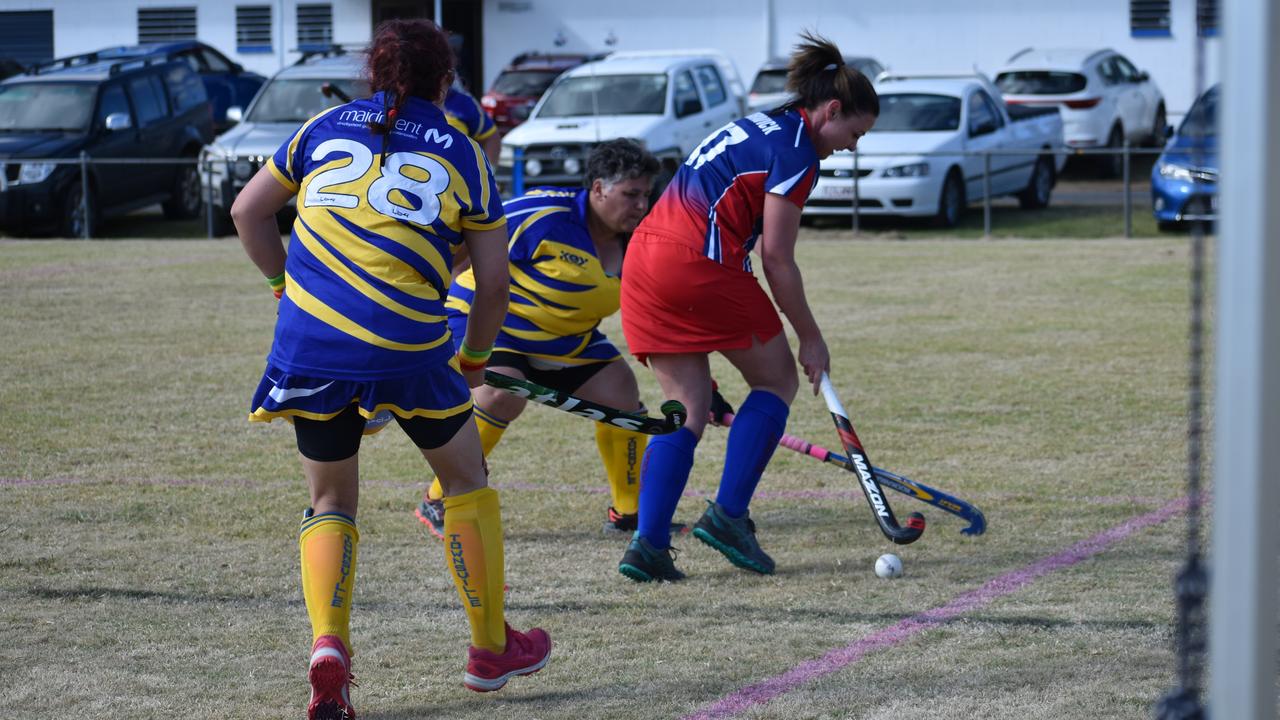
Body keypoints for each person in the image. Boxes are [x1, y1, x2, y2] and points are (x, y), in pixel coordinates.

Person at [232, 19, 550, 718]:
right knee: (466, 480)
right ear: (448, 81)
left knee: (331, 502)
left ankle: (329, 649)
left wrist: (285, 289)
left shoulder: (320, 127)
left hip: (311, 344)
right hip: (412, 346)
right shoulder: (465, 153)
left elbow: (247, 212)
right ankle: (491, 648)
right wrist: (472, 360)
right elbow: (493, 285)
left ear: (372, 75)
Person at [615, 32, 880, 582]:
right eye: (853, 133)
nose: (852, 146)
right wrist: (810, 336)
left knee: (684, 409)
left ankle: (649, 546)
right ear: (830, 110)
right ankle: (729, 516)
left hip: (643, 260)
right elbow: (777, 258)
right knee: (777, 381)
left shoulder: (765, 122)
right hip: (697, 263)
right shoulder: (798, 151)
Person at [413, 138, 667, 539]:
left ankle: (628, 515)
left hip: (567, 338)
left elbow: (657, 308)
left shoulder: (644, 237)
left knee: (622, 396)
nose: (641, 205)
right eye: (631, 194)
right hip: (491, 325)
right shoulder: (544, 213)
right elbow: (464, 244)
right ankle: (439, 499)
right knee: (501, 395)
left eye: (647, 195)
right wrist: (423, 310)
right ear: (598, 188)